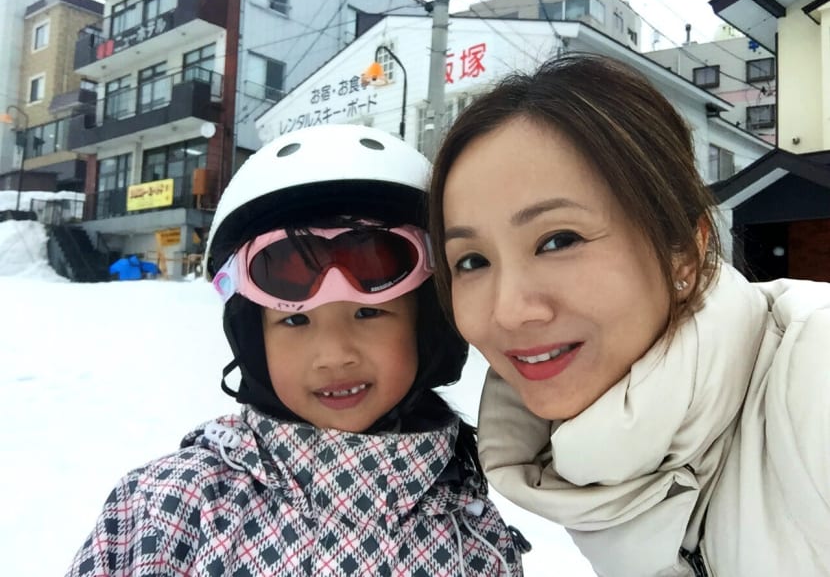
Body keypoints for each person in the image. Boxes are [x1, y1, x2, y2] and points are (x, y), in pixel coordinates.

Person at [427, 53, 830, 576]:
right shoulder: (579, 462)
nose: (508, 311)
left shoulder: (812, 376)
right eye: (472, 261)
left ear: (684, 249)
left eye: (558, 240)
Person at [66, 124, 527, 576]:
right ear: (251, 339)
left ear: (428, 331)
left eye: (368, 314)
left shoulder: (474, 533)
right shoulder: (168, 508)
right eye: (294, 319)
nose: (333, 355)